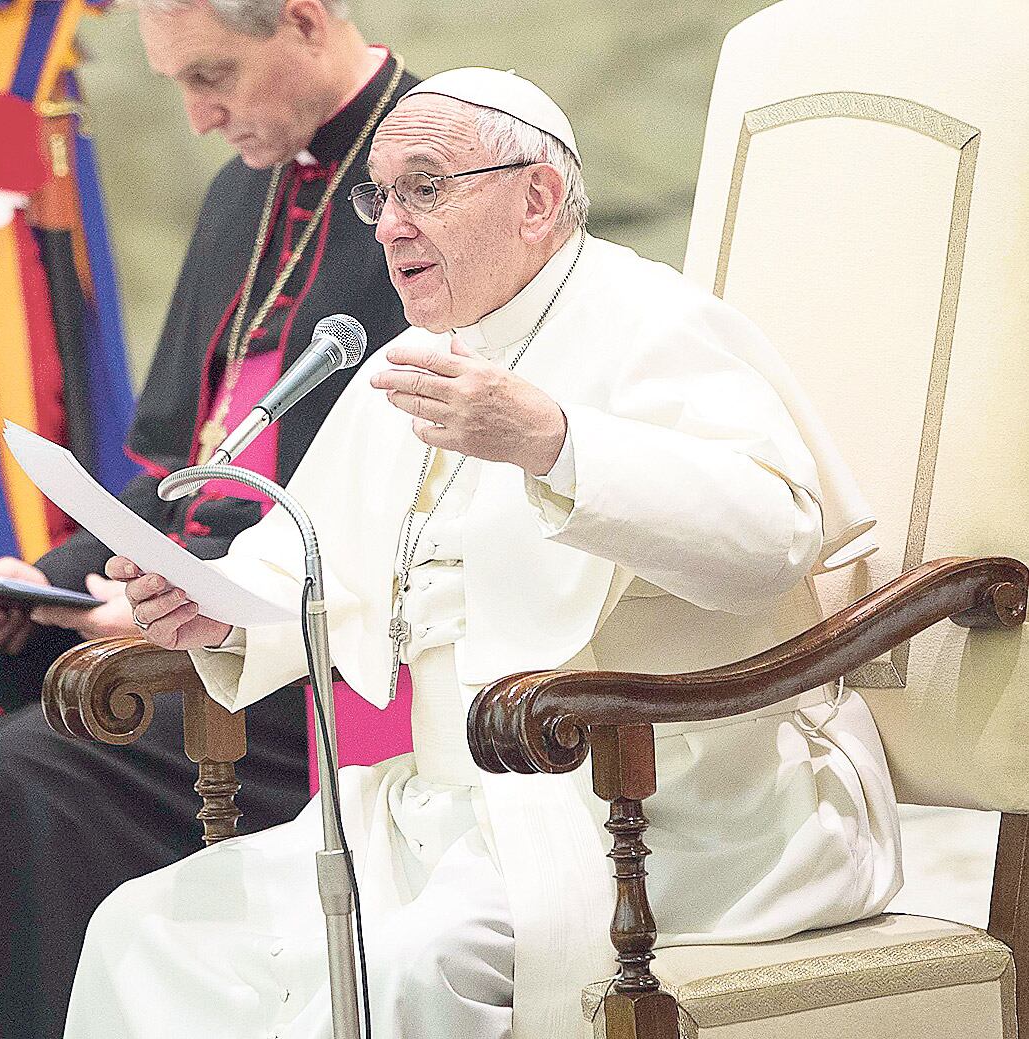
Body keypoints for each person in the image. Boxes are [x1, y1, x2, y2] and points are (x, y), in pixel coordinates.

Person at [66, 68, 902, 1039]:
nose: (387, 225)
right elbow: (303, 565)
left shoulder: (658, 324)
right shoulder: (404, 366)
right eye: (379, 195)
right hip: (441, 815)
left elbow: (771, 541)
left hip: (666, 809)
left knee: (406, 971)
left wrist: (555, 441)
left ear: (538, 198)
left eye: (427, 187)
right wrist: (210, 607)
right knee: (144, 930)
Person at [0, 3, 418, 1037]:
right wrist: (51, 581)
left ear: (303, 19)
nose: (198, 118)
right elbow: (177, 468)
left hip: (315, 653)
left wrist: (192, 601)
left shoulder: (436, 188)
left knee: (14, 771)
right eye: (181, 86)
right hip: (177, 600)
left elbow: (408, 501)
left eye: (214, 76)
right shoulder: (245, 194)